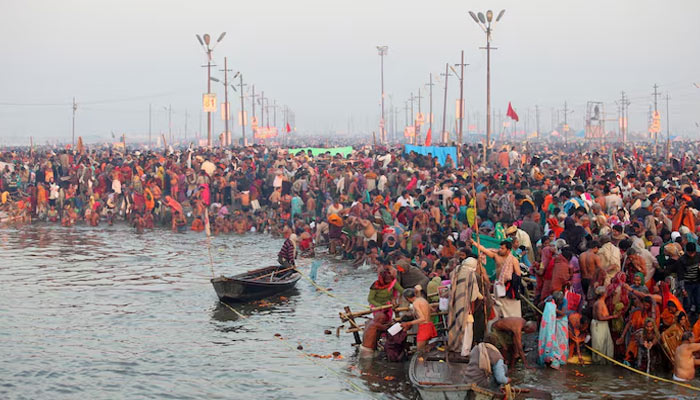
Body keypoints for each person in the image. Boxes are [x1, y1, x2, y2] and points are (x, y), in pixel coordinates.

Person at [537, 291, 569, 369]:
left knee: (561, 340)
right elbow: (539, 306)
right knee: (550, 337)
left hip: (561, 321)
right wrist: (546, 302)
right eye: (558, 301)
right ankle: (551, 356)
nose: (560, 302)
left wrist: (554, 308)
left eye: (560, 301)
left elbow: (563, 313)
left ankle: (561, 357)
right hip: (551, 321)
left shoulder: (564, 301)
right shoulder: (550, 299)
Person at [400, 288, 435, 352]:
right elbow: (432, 310)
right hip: (429, 325)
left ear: (407, 298)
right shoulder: (422, 299)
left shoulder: (415, 303)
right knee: (425, 349)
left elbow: (422, 318)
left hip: (424, 327)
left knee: (419, 350)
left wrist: (409, 323)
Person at [591, 286, 619, 364]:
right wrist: (613, 317)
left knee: (605, 344)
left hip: (602, 325)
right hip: (599, 325)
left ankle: (604, 362)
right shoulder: (599, 303)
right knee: (599, 345)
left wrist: (611, 294)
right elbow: (600, 317)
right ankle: (599, 362)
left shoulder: (601, 301)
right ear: (603, 294)